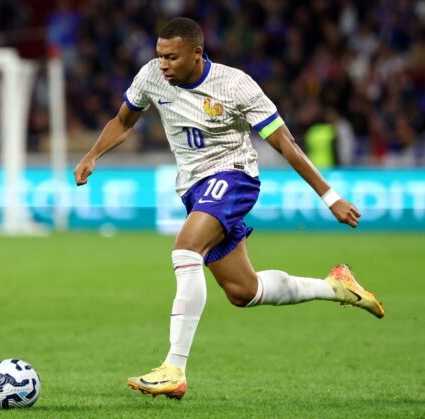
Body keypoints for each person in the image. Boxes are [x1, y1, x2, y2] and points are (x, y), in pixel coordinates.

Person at [73, 17, 384, 400]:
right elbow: (124, 122)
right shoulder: (151, 76)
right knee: (243, 290)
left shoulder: (235, 85)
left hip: (233, 177)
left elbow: (285, 142)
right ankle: (335, 286)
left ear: (197, 53)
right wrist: (92, 155)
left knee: (185, 249)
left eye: (171, 57)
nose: (163, 64)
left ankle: (174, 367)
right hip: (193, 189)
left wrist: (330, 196)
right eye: (159, 55)